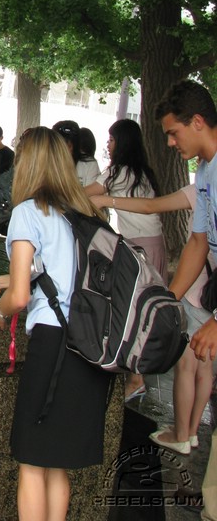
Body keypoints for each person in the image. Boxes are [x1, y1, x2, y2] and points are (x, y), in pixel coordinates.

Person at [0, 127, 112, 521]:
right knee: (56, 464)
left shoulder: (28, 213)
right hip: (88, 344)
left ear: (28, 165)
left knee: (32, 460)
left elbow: (19, 297)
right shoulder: (85, 212)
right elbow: (52, 273)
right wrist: (3, 282)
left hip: (53, 344)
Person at [92, 184, 212, 454]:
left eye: (172, 136)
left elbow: (150, 207)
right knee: (204, 365)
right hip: (211, 297)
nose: (170, 142)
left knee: (186, 366)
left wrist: (102, 199)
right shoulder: (206, 181)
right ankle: (192, 433)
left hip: (194, 292)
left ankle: (180, 434)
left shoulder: (202, 187)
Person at [153, 80, 217, 520]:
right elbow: (197, 243)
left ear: (198, 121)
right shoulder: (205, 171)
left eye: (174, 133)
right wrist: (166, 301)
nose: (171, 143)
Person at [85, 118, 166, 399]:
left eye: (111, 139)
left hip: (140, 246)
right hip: (156, 242)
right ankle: (138, 371)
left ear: (122, 142)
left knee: (135, 307)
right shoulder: (142, 171)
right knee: (145, 305)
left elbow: (84, 195)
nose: (108, 144)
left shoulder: (116, 172)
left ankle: (136, 376)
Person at [53, 120, 101, 187]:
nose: (70, 150)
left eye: (71, 145)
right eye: (64, 145)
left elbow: (90, 195)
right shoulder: (47, 163)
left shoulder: (89, 165)